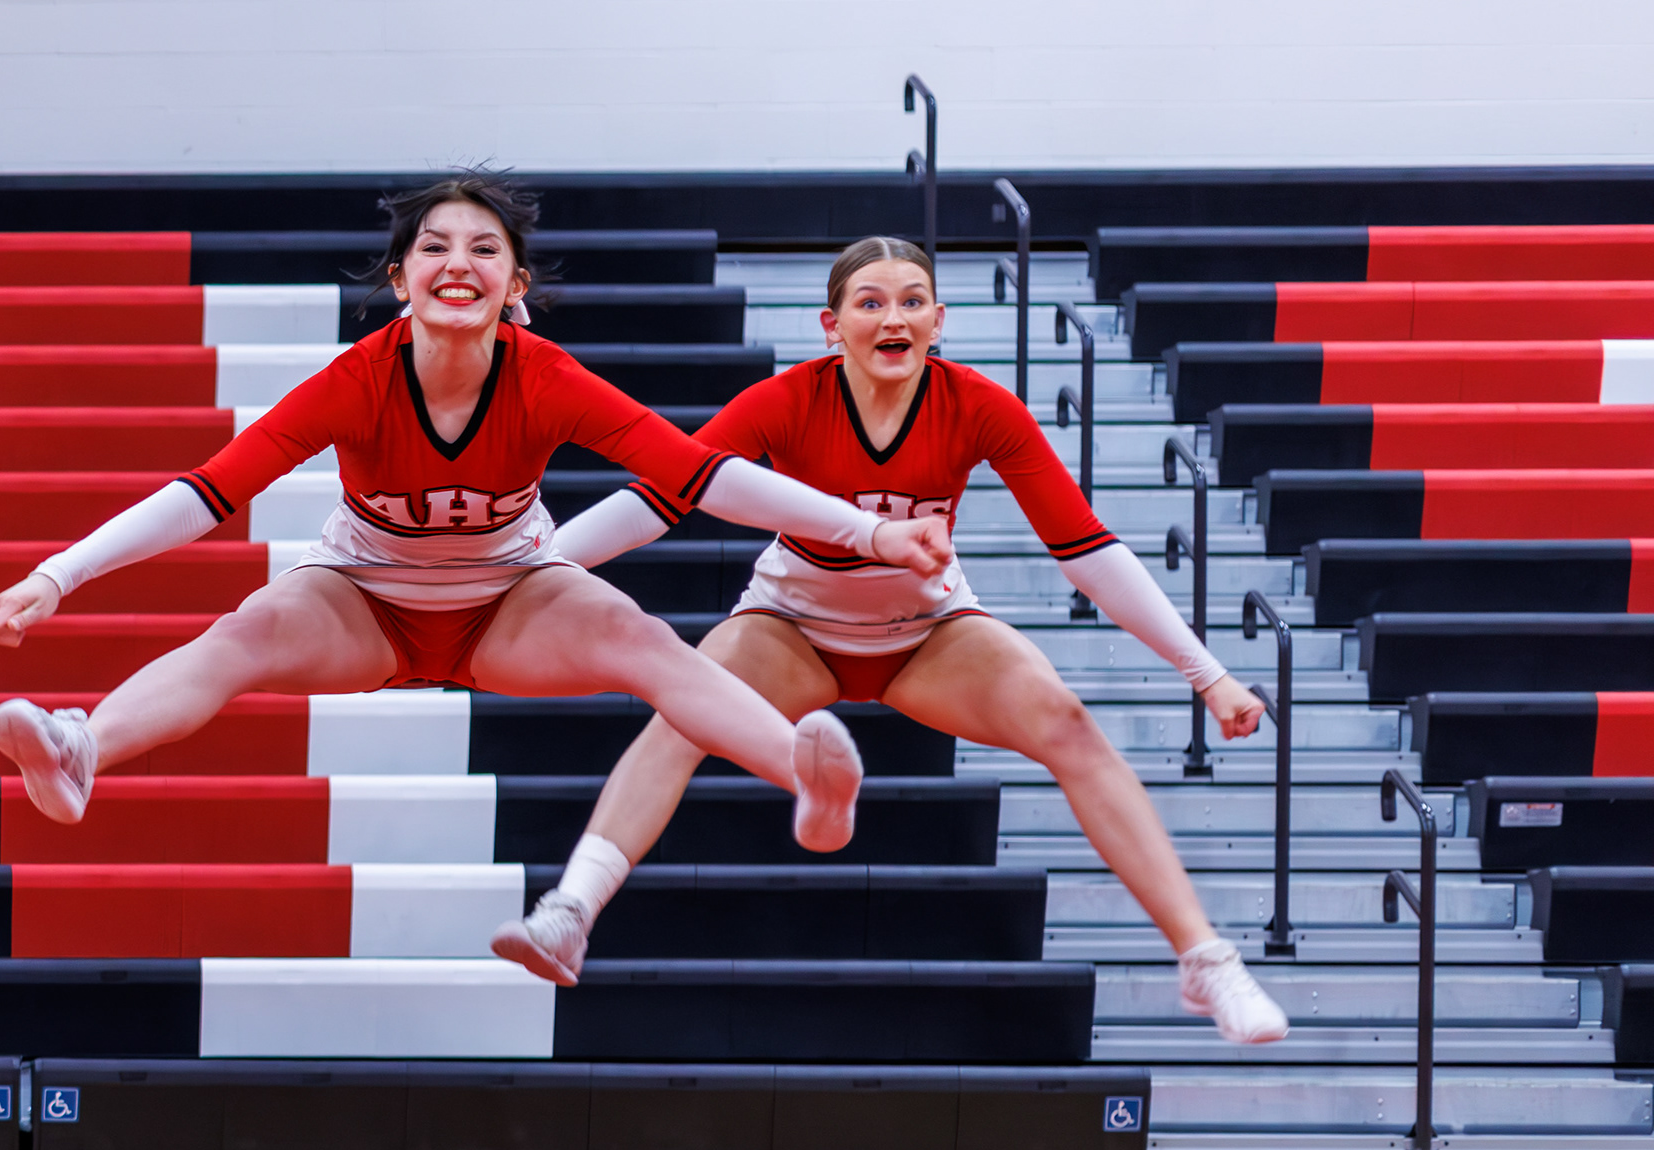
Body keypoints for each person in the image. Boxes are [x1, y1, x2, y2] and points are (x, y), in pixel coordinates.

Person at [0, 174, 955, 863]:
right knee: (246, 631)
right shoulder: (358, 379)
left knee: (640, 636)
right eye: (435, 247)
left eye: (485, 249)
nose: (459, 263)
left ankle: (807, 775)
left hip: (508, 603)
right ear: (400, 280)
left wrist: (869, 533)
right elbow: (212, 490)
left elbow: (701, 475)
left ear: (515, 286)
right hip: (364, 600)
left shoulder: (547, 377)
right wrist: (58, 573)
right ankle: (81, 751)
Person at [497, 236, 1290, 1042]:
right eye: (870, 303)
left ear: (939, 321)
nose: (893, 318)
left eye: (912, 301)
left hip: (929, 635)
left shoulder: (979, 405)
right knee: (681, 708)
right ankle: (571, 911)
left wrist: (1207, 672)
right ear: (831, 325)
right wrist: (530, 565)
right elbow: (664, 496)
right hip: (792, 628)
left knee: (1068, 723)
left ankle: (1206, 959)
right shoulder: (785, 400)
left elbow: (1083, 546)